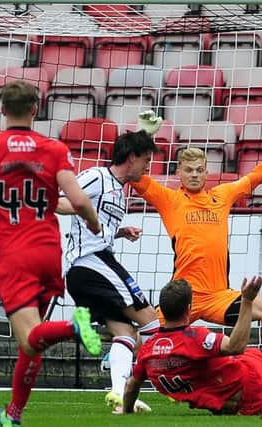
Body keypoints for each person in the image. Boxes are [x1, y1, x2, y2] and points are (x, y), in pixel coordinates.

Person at [131, 111, 262, 387]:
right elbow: (135, 176)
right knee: (142, 335)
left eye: (199, 170)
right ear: (179, 173)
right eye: (188, 170)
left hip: (219, 295)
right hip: (185, 299)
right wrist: (143, 136)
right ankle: (120, 371)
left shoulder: (222, 196)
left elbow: (255, 177)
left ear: (207, 173)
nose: (194, 175)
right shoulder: (169, 199)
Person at [0, 80, 103, 427]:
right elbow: (79, 201)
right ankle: (14, 415)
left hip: (12, 254)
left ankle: (73, 327)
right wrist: (95, 225)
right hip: (47, 252)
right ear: (36, 109)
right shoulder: (53, 149)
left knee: (28, 336)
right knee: (33, 342)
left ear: (2, 109)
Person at [122, 277, 262, 416]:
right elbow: (236, 347)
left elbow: (132, 385)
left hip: (220, 401)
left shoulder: (148, 349)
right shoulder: (195, 337)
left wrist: (127, 410)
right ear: (188, 310)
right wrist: (247, 302)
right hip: (250, 383)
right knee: (250, 354)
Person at [56, 129, 162, 413]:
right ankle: (170, 378)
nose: (148, 166)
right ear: (131, 158)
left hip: (91, 267)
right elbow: (62, 200)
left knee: (126, 332)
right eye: (146, 160)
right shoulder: (97, 177)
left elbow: (95, 227)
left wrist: (120, 232)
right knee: (151, 321)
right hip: (90, 263)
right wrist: (73, 207)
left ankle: (119, 393)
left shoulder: (119, 191)